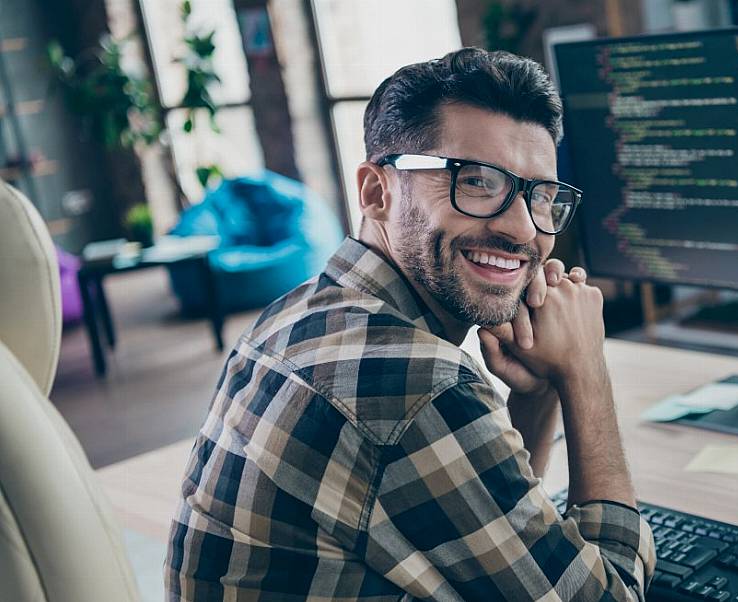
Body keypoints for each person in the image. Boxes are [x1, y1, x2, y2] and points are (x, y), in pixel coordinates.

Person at [165, 47, 655, 601]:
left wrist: (539, 389)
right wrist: (586, 372)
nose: (523, 230)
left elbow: (491, 548)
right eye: (476, 182)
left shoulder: (293, 315)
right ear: (377, 192)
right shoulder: (418, 386)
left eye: (540, 195)